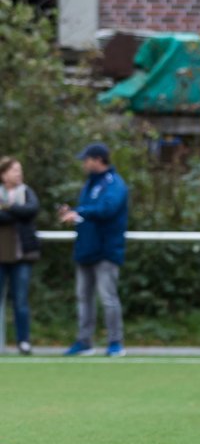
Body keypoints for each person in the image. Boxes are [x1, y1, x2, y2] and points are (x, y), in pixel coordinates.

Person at [58, 143, 129, 357]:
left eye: (86, 159)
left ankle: (115, 342)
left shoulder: (114, 184)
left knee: (108, 298)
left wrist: (80, 212)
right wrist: (73, 214)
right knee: (83, 297)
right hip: (86, 249)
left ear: (98, 160)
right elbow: (88, 213)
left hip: (106, 250)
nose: (84, 163)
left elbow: (107, 209)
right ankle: (84, 341)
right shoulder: (90, 184)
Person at [0, 157, 40, 355]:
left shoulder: (27, 191)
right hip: (1, 255)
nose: (18, 174)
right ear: (3, 174)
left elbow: (31, 210)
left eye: (20, 170)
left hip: (22, 255)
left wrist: (8, 207)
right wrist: (16, 212)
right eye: (14, 170)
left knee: (21, 300)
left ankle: (23, 341)